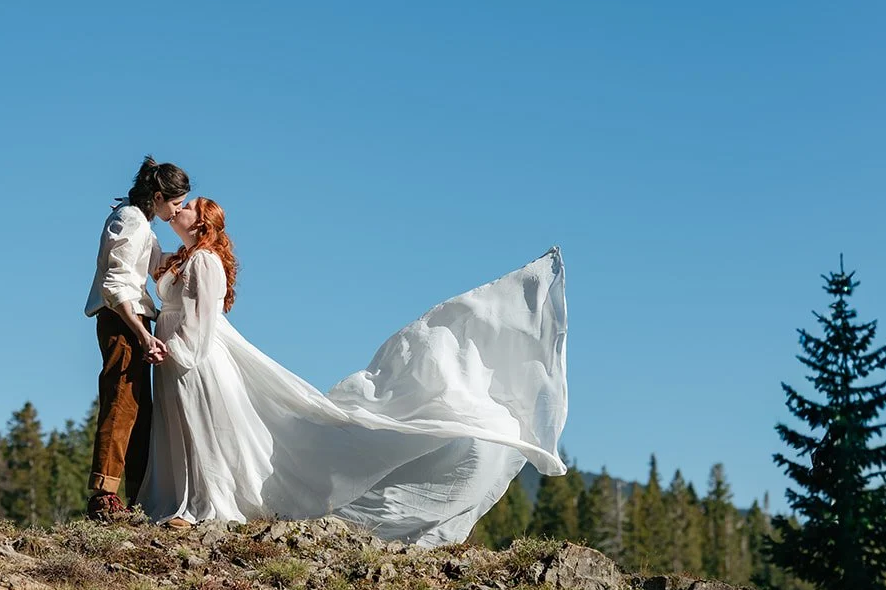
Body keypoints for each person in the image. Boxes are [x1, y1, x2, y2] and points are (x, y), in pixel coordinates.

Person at [140, 197, 568, 545]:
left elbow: (199, 324)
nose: (179, 209)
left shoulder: (204, 262)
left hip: (193, 354)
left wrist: (173, 348)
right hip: (176, 353)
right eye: (177, 205)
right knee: (181, 423)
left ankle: (203, 504)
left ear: (203, 224)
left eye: (187, 206)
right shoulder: (182, 259)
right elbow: (153, 268)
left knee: (200, 426)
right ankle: (181, 500)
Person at [82, 156, 190, 521]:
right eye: (175, 203)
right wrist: (142, 334)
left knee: (140, 410)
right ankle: (103, 495)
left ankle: (137, 495)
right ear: (157, 195)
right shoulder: (129, 221)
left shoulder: (142, 221)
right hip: (121, 321)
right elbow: (115, 284)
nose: (177, 211)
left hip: (133, 320)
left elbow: (155, 264)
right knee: (121, 403)